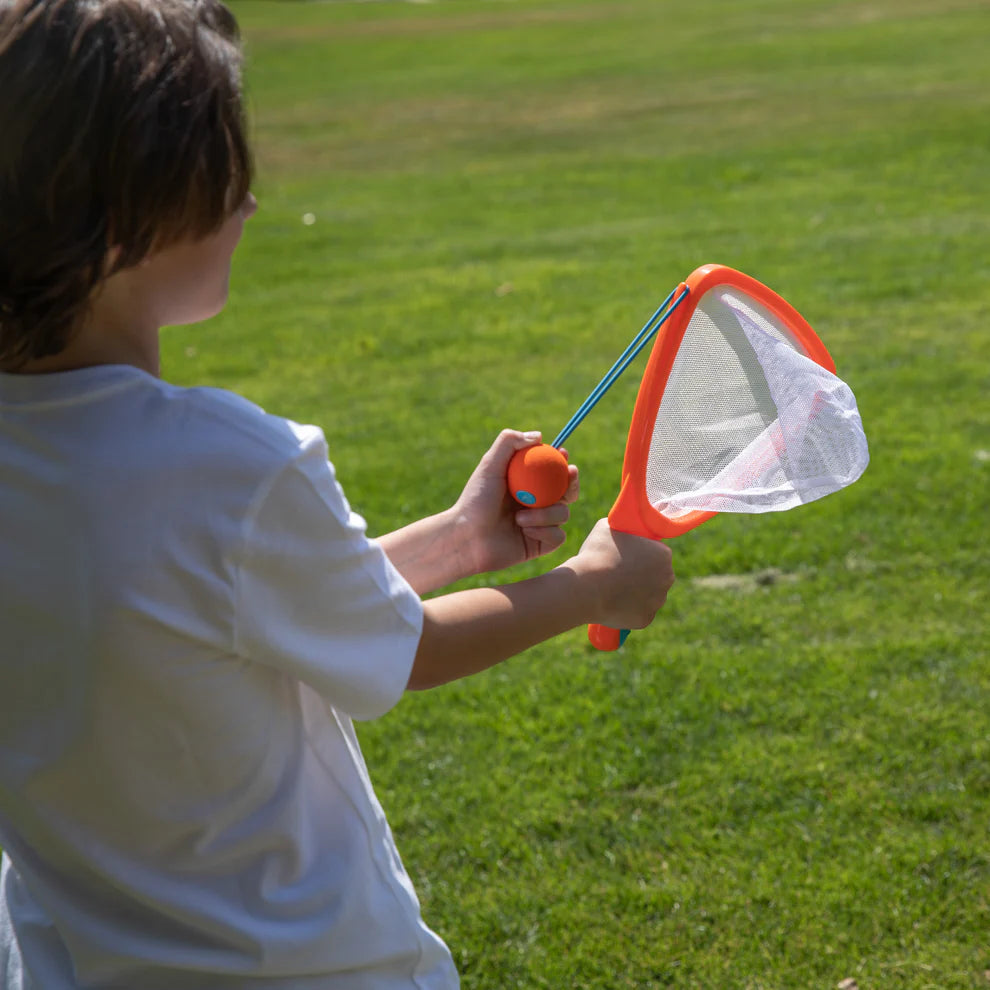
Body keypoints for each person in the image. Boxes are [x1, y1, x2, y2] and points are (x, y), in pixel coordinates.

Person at [0, 1, 676, 987]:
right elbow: (406, 651)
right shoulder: (228, 462)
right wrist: (593, 584)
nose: (249, 204)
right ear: (120, 222)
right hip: (306, 967)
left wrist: (457, 541)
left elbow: (204, 613)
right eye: (221, 172)